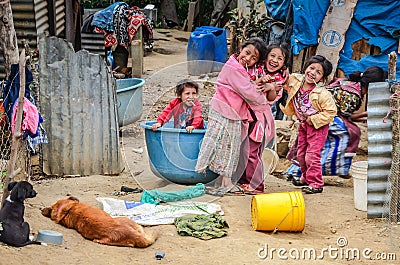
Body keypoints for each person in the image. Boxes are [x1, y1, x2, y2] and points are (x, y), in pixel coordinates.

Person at [195, 37, 269, 195]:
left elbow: (246, 87)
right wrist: (263, 97)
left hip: (228, 111)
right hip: (226, 112)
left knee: (225, 146)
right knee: (229, 148)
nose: (248, 58)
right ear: (240, 49)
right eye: (247, 52)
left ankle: (223, 180)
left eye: (253, 58)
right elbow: (249, 92)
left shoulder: (237, 67)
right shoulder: (234, 68)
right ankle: (226, 182)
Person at [285, 66, 387, 179]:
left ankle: (296, 171)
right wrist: (366, 115)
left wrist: (365, 115)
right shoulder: (353, 96)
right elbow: (342, 116)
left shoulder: (350, 84)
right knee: (346, 134)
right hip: (320, 117)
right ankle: (333, 168)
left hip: (316, 114)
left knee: (317, 146)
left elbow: (345, 116)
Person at [237, 42, 290, 194]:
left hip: (260, 119)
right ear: (265, 57)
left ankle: (257, 186)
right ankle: (243, 181)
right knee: (242, 149)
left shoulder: (279, 79)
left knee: (253, 151)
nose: (275, 60)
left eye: (280, 59)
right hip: (246, 115)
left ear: (284, 63)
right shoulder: (257, 67)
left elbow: (271, 99)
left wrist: (272, 87)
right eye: (272, 56)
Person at [280, 55, 337, 194]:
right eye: (312, 68)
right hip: (303, 125)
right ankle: (306, 178)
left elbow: (331, 112)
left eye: (318, 72)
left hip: (317, 128)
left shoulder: (322, 94)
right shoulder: (296, 80)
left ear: (322, 78)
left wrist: (312, 119)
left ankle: (316, 183)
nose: (313, 73)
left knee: (311, 155)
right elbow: (285, 80)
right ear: (306, 67)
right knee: (301, 154)